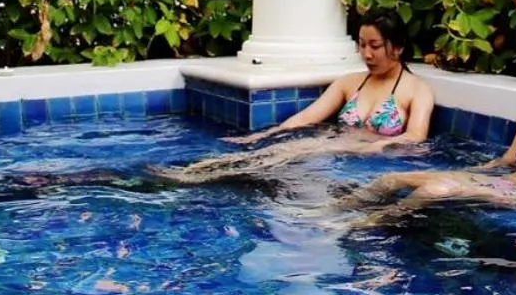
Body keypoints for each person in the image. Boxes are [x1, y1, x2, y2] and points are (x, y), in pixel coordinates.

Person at [343, 23, 516, 221]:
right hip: (506, 184)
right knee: (391, 179)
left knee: (436, 190)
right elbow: (505, 162)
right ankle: (329, 216)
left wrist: (509, 197)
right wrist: (463, 173)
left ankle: (369, 225)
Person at [159, 13, 434, 182]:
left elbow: (416, 136)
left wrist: (377, 147)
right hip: (332, 150)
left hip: (371, 163)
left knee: (278, 159)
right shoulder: (350, 82)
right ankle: (198, 171)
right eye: (362, 45)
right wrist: (265, 135)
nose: (367, 54)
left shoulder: (416, 90)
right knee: (271, 153)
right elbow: (306, 117)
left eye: (375, 46)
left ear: (397, 48)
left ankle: (201, 176)